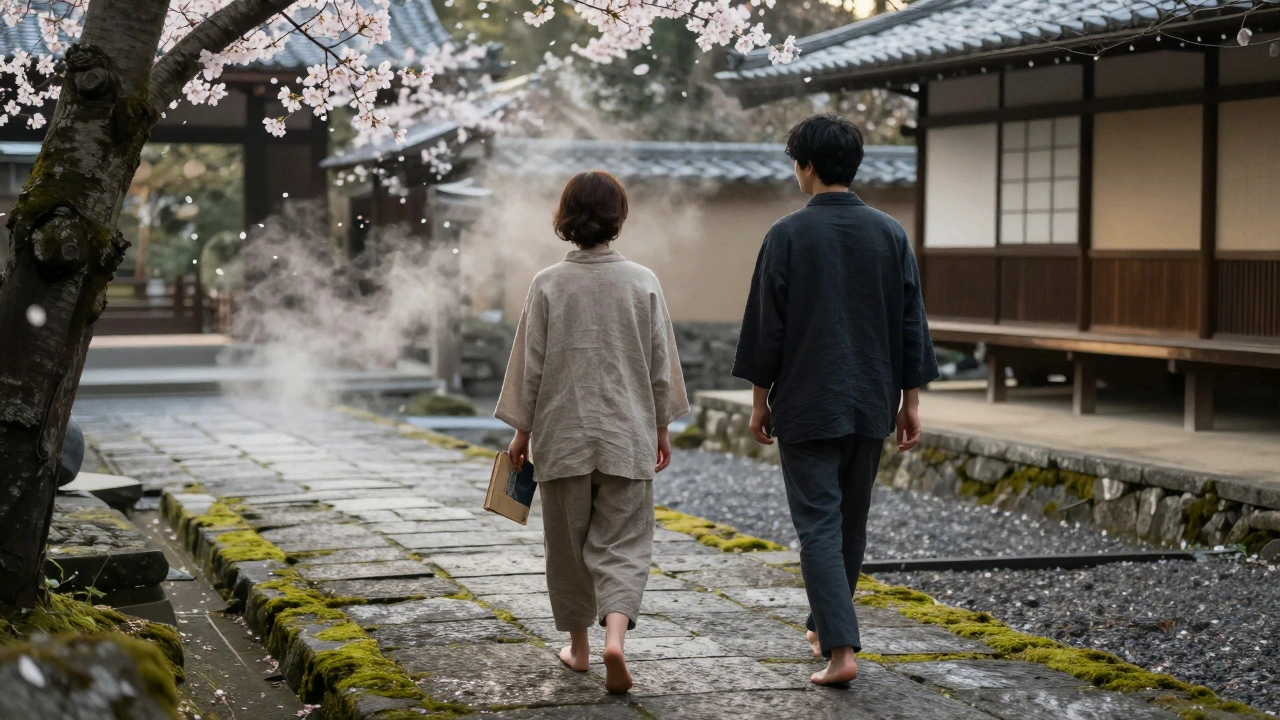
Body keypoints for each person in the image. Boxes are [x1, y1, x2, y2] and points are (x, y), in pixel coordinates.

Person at [733, 113, 939, 686]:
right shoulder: (890, 233)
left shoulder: (787, 234)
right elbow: (909, 324)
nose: (795, 172)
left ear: (809, 165)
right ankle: (825, 628)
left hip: (805, 400)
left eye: (795, 162)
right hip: (872, 396)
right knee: (849, 524)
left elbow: (765, 329)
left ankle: (842, 652)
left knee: (819, 525)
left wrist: (759, 399)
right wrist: (911, 400)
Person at [495, 170, 689, 694]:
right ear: (618, 220)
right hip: (627, 434)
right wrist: (661, 429)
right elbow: (660, 368)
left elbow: (529, 368)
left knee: (568, 545)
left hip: (562, 436)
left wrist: (521, 435)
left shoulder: (547, 284)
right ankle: (616, 643)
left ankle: (579, 649)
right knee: (625, 543)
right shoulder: (643, 281)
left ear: (565, 221)